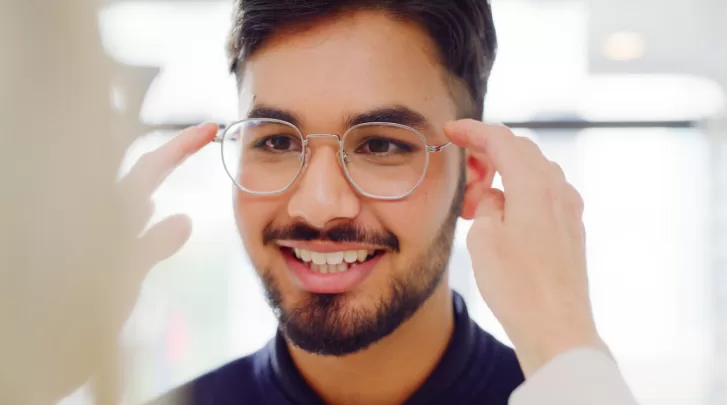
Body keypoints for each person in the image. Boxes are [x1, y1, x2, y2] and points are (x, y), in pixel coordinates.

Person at [0, 0, 637, 404]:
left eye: (382, 145)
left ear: (473, 175)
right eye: (276, 139)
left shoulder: (568, 389)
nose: (320, 205)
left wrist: (564, 344)